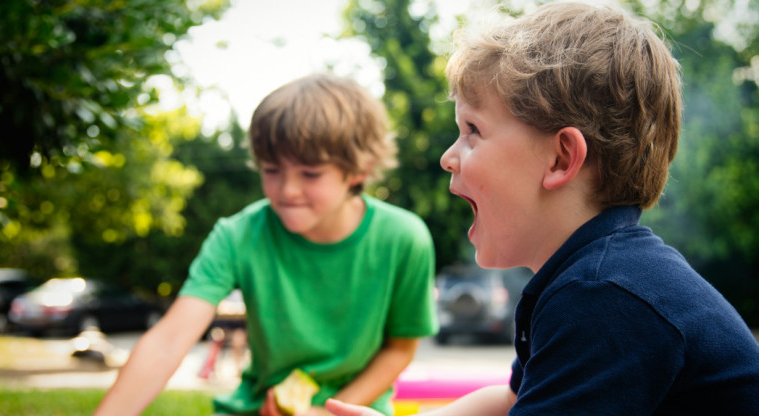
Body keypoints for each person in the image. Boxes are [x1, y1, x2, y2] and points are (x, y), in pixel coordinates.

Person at [325, 3, 759, 416]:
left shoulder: (603, 296)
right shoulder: (590, 276)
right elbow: (513, 400)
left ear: (560, 158)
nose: (447, 157)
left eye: (472, 130)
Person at [94, 73, 438, 416]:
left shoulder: (404, 238)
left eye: (310, 173)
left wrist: (328, 411)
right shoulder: (237, 235)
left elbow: (400, 348)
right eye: (272, 170)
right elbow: (168, 342)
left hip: (355, 410)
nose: (287, 190)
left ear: (359, 170)